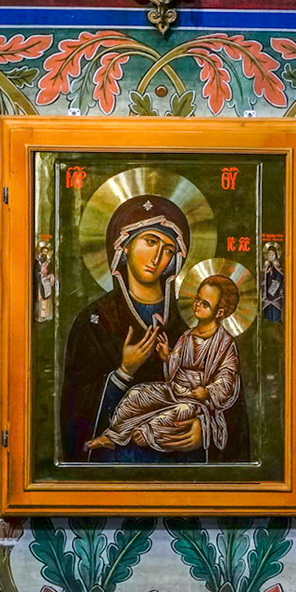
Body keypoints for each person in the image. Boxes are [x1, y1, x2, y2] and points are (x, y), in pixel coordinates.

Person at [60, 192, 248, 463]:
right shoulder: (96, 319)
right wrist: (123, 373)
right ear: (124, 246)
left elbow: (231, 400)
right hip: (113, 474)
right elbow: (74, 410)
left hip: (185, 468)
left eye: (168, 249)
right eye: (150, 242)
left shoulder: (191, 318)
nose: (158, 256)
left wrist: (205, 431)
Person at [85, 276, 242, 455]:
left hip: (197, 401)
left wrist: (208, 391)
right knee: (137, 395)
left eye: (204, 304)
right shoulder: (188, 336)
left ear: (220, 312)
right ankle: (113, 435)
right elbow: (175, 367)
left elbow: (227, 378)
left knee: (176, 415)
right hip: (174, 390)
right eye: (197, 299)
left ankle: (147, 432)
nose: (197, 305)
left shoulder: (225, 343)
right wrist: (168, 357)